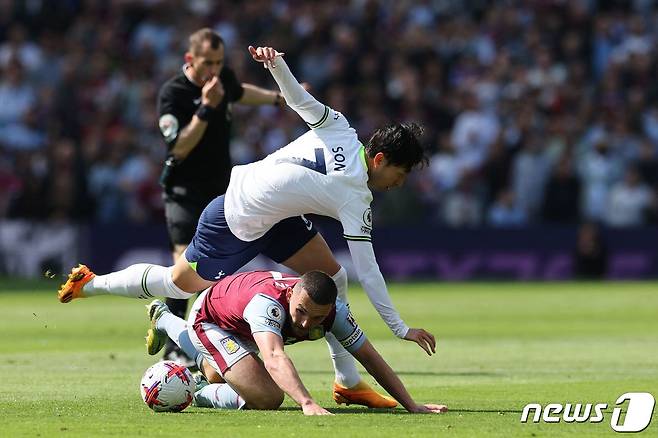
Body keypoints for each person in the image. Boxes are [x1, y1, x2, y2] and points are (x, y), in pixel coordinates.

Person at [58, 45, 435, 409]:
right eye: (399, 176)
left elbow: (297, 100)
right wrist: (399, 327)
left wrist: (275, 66)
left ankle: (348, 383)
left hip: (278, 216)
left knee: (333, 279)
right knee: (178, 284)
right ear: (380, 159)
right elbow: (369, 269)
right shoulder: (357, 199)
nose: (397, 184)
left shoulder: (341, 127)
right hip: (239, 215)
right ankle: (91, 282)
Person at [143, 269, 448, 415]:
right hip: (210, 317)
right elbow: (275, 357)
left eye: (316, 319)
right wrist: (307, 402)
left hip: (242, 322)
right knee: (267, 397)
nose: (304, 324)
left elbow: (369, 357)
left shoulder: (336, 313)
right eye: (301, 312)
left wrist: (412, 405)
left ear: (330, 311)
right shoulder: (268, 305)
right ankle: (191, 379)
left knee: (219, 374)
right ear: (291, 295)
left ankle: (166, 321)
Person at [157, 29, 285, 364]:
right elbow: (179, 147)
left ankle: (214, 337)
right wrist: (206, 109)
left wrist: (276, 98)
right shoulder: (174, 94)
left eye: (219, 62)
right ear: (190, 59)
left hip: (220, 189)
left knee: (220, 266)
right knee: (185, 264)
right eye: (207, 63)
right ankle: (174, 340)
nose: (214, 70)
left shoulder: (223, 79)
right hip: (184, 190)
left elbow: (241, 93)